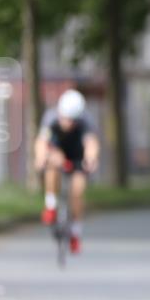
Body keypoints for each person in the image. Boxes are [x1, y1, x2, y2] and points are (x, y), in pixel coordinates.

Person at [34, 89, 100, 253]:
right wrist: (41, 157)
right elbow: (42, 141)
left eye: (71, 120)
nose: (67, 123)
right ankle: (51, 205)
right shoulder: (51, 117)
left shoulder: (86, 120)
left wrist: (91, 158)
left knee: (77, 191)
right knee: (52, 167)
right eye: (65, 118)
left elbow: (91, 143)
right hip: (58, 153)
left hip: (77, 156)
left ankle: (75, 233)